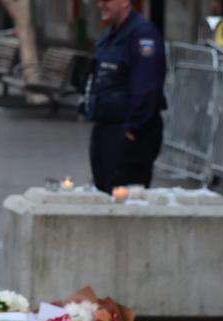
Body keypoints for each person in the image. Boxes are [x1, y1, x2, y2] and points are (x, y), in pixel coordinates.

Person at [81, 0, 167, 194]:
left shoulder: (143, 35)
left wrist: (131, 131)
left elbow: (147, 88)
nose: (100, 5)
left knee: (126, 203)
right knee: (103, 196)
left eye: (106, 0)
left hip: (130, 134)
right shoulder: (110, 35)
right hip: (105, 129)